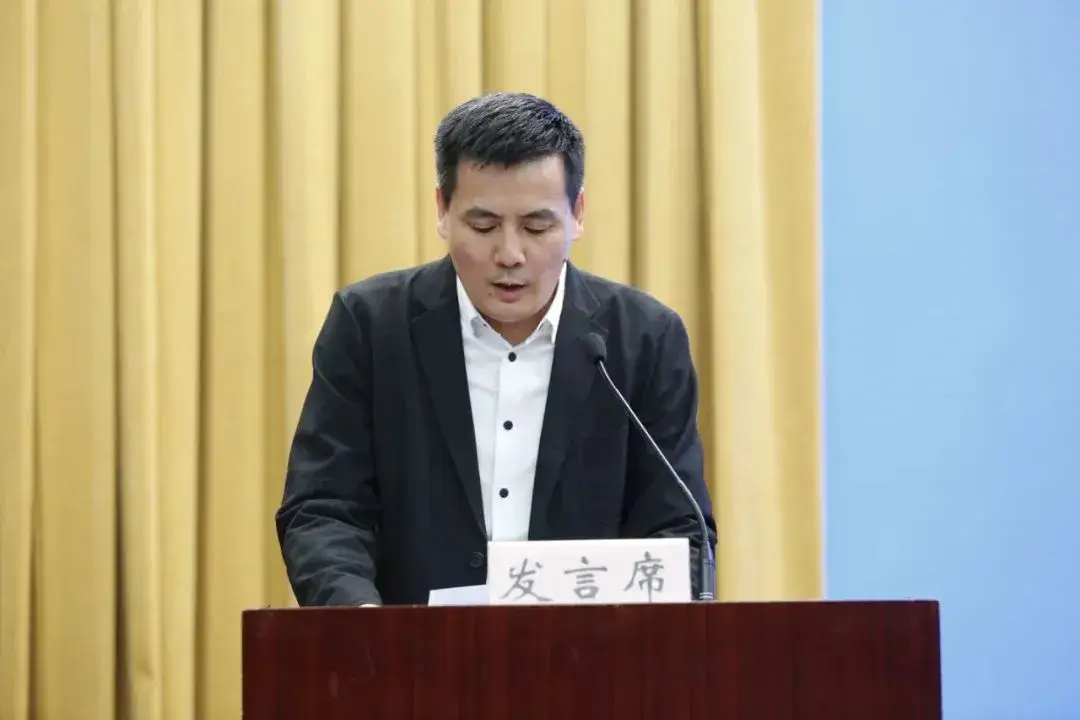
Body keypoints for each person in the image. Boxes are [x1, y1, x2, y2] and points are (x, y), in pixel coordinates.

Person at [276, 91, 717, 606]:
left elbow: (679, 527)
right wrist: (365, 626)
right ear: (443, 211)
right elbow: (324, 508)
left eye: (536, 226)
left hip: (591, 651)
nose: (510, 254)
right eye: (483, 226)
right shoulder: (371, 326)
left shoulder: (644, 338)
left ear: (577, 214)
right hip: (409, 650)